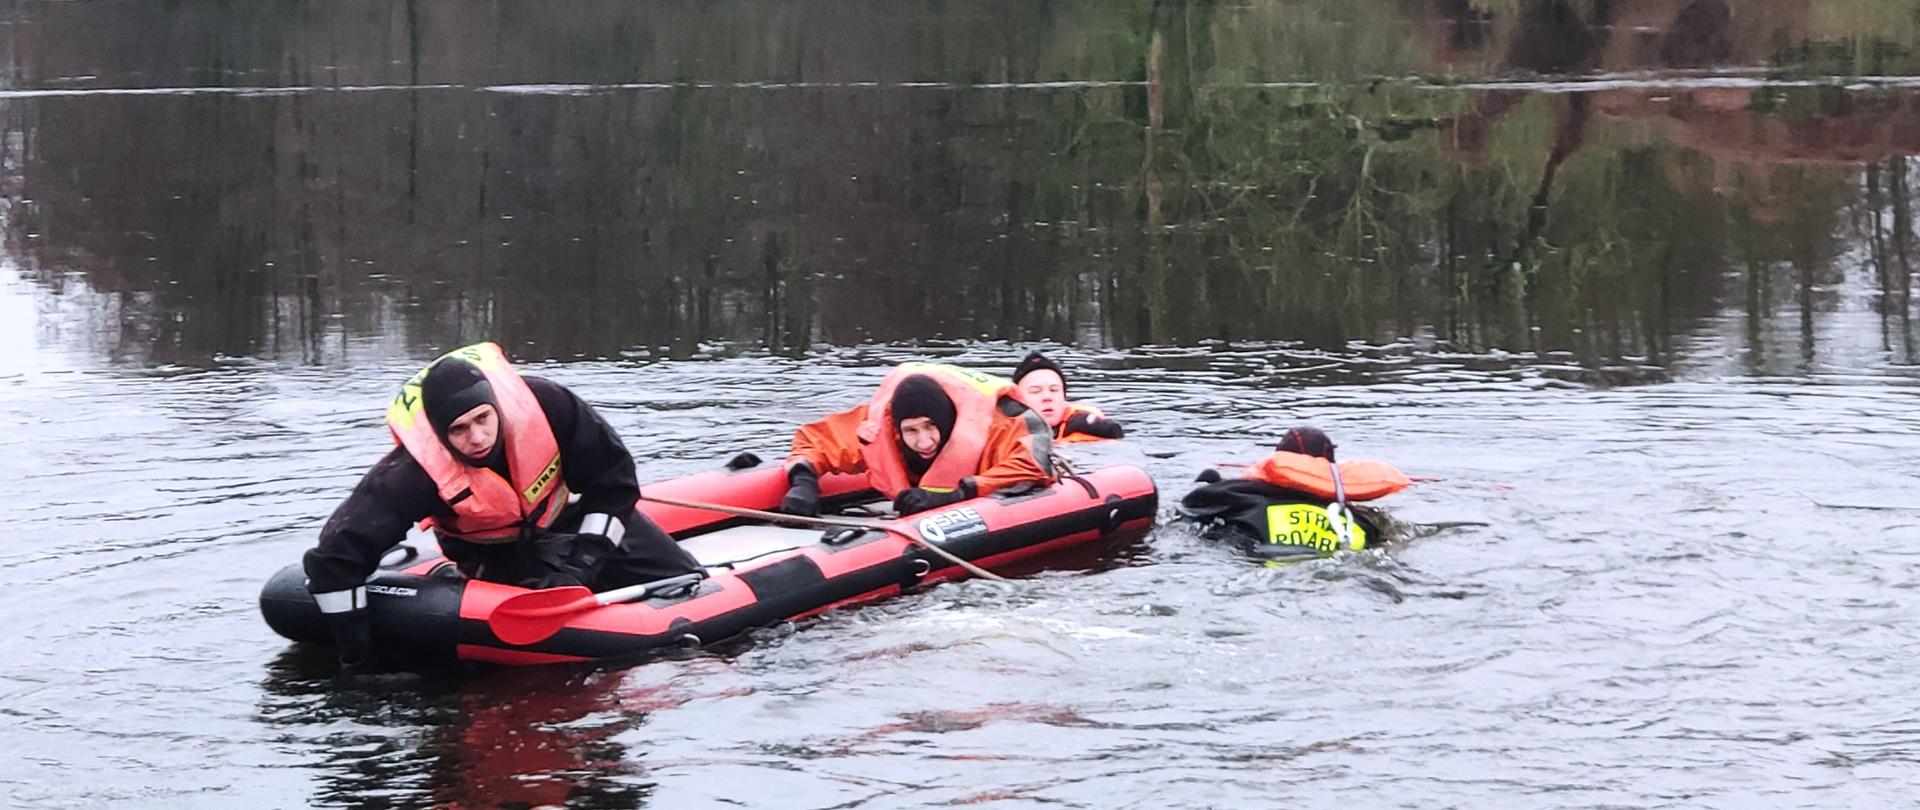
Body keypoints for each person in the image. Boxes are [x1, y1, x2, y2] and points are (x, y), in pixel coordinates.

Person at [302, 342, 702, 670]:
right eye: (459, 430)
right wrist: (356, 652)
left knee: (687, 579)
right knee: (540, 612)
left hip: (568, 522)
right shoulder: (413, 472)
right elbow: (335, 556)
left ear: (496, 407)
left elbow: (615, 485)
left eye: (482, 419)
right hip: (493, 553)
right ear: (441, 435)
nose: (477, 438)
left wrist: (581, 565)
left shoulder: (547, 405)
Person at [777, 362, 1055, 517]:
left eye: (930, 427)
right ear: (898, 429)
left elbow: (1032, 464)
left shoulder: (998, 425)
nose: (924, 442)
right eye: (911, 431)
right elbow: (815, 439)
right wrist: (803, 482)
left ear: (946, 421)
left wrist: (956, 494)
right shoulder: (878, 428)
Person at [1179, 426, 1410, 560]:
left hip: (1254, 568)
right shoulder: (1361, 522)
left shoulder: (1235, 498)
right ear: (1331, 472)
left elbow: (1187, 509)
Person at [1011, 351, 1125, 443]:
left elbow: (1116, 433)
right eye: (1035, 391)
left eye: (1054, 390)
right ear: (1017, 401)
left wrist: (1095, 425)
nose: (1047, 397)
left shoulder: (1087, 427)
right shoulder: (1003, 433)